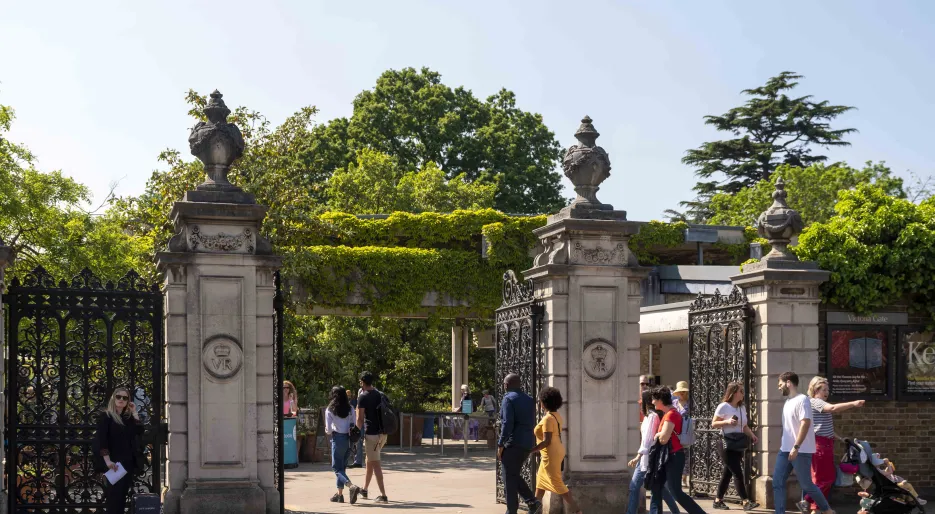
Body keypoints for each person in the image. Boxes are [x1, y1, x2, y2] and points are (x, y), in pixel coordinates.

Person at [773, 372, 835, 514]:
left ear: (789, 382)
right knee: (777, 482)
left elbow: (805, 423)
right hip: (785, 450)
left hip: (801, 450)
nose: (779, 387)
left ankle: (826, 509)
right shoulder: (787, 402)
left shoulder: (803, 400)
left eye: (780, 384)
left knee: (807, 484)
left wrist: (796, 446)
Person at [804, 376, 864, 511]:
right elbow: (833, 408)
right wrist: (853, 403)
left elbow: (820, 426)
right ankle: (808, 501)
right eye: (824, 389)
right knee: (825, 479)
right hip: (820, 445)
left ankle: (817, 508)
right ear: (815, 390)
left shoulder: (814, 403)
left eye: (828, 389)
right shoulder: (816, 402)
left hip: (825, 443)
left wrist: (839, 438)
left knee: (824, 478)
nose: (827, 392)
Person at [649, 387, 706, 514]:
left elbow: (663, 439)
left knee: (676, 492)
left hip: (674, 456)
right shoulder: (668, 414)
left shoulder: (671, 414)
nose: (652, 402)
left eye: (654, 399)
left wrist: (656, 435)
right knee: (656, 486)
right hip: (669, 456)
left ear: (660, 400)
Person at [627, 389, 680, 514]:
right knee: (661, 489)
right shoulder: (649, 417)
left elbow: (647, 440)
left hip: (647, 458)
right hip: (647, 457)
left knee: (634, 487)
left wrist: (637, 457)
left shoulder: (652, 416)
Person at [530, 387, 581, 514]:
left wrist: (531, 450)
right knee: (540, 484)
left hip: (550, 454)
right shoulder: (556, 416)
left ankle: (578, 511)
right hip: (555, 451)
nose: (540, 403)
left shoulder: (548, 418)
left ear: (544, 402)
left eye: (541, 400)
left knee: (558, 484)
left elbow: (547, 441)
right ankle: (534, 511)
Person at [711, 381, 759, 511]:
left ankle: (718, 500)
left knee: (727, 473)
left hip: (738, 443)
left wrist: (752, 435)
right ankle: (745, 501)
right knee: (738, 473)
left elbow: (744, 426)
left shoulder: (741, 408)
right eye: (741, 391)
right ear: (733, 393)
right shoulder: (723, 407)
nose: (743, 394)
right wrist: (727, 421)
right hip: (726, 443)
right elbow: (714, 423)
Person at [498, 373, 543, 514]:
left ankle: (512, 510)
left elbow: (507, 423)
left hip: (512, 444)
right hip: (526, 444)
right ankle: (532, 502)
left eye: (504, 383)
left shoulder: (508, 399)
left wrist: (500, 444)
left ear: (507, 385)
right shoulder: (529, 400)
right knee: (514, 475)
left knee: (508, 478)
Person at [94, 387, 143, 514]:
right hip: (114, 463)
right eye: (118, 397)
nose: (121, 400)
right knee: (114, 497)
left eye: (125, 398)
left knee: (121, 497)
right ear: (113, 398)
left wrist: (134, 412)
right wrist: (107, 461)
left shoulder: (128, 418)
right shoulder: (106, 416)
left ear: (128, 401)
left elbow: (139, 431)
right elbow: (102, 440)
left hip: (127, 463)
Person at [349, 371, 388, 504]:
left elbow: (360, 420)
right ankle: (364, 490)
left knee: (375, 464)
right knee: (369, 461)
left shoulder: (363, 397)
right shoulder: (378, 394)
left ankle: (383, 495)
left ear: (362, 382)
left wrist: (354, 432)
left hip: (372, 434)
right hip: (382, 434)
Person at [325, 386, 357, 503]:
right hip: (349, 440)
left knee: (336, 468)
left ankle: (351, 486)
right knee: (342, 468)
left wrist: (329, 430)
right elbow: (354, 424)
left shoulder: (330, 409)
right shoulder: (351, 409)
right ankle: (339, 495)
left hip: (337, 438)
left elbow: (328, 430)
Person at [671, 381, 690, 488]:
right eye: (680, 392)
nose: (682, 394)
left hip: (686, 431)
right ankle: (676, 477)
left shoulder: (690, 404)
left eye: (683, 392)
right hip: (675, 432)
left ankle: (684, 478)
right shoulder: (674, 404)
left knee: (686, 455)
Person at [349, 389, 364, 468]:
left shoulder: (373, 392)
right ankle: (358, 461)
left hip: (365, 422)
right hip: (360, 422)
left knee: (362, 442)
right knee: (358, 441)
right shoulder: (360, 392)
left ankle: (369, 460)